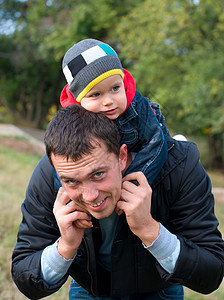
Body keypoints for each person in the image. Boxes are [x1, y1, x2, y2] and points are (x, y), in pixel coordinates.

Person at [11, 104, 224, 300]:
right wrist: (65, 247)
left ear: (122, 157)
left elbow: (212, 274)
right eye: (72, 181)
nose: (90, 195)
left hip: (159, 289)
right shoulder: (50, 174)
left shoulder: (180, 165)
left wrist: (151, 231)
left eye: (98, 175)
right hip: (90, 289)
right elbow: (24, 276)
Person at [60, 38, 169, 185]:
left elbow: (156, 145)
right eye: (96, 95)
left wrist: (129, 184)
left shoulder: (137, 106)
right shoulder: (72, 122)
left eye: (115, 88)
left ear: (122, 83)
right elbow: (62, 166)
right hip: (105, 166)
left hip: (146, 152)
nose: (108, 101)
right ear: (79, 99)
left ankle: (177, 144)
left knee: (168, 155)